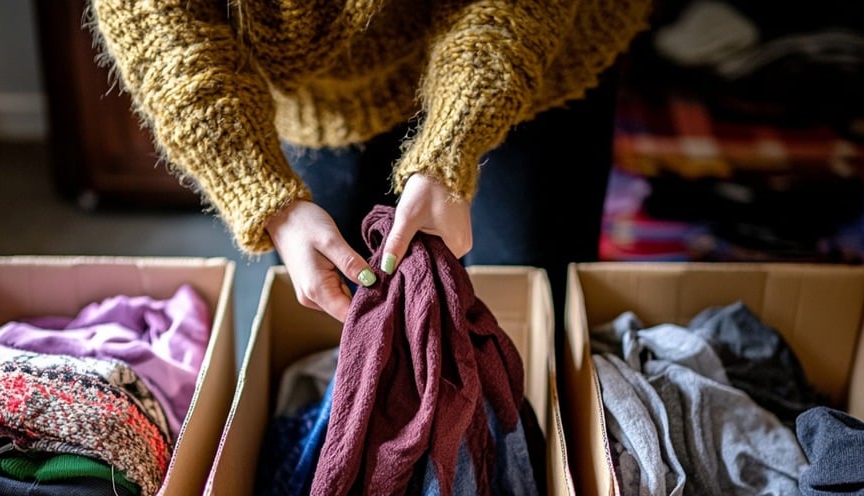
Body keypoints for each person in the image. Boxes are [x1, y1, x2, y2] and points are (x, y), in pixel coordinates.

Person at [90, 1, 652, 338]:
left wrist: (452, 145)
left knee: (528, 293)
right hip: (319, 92)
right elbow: (160, 26)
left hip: (522, 51)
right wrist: (271, 201)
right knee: (333, 298)